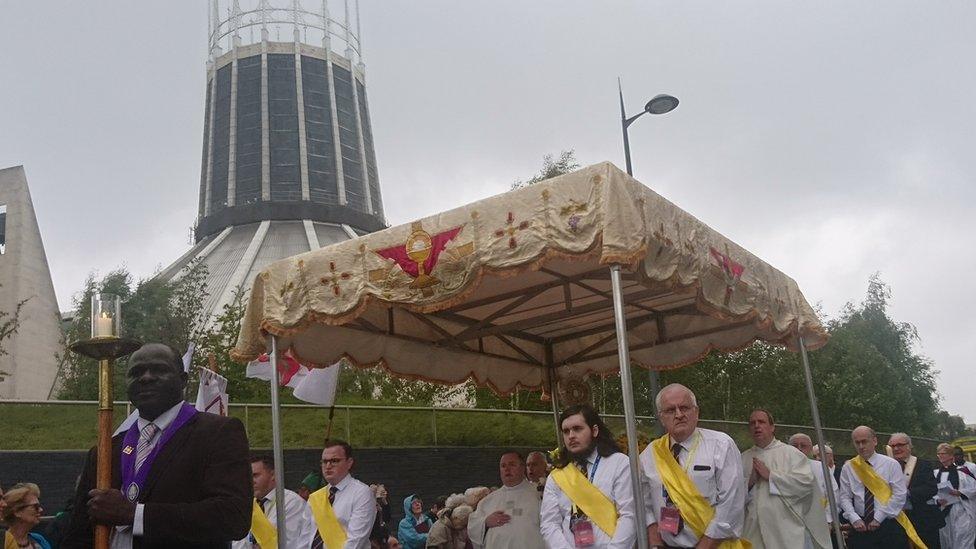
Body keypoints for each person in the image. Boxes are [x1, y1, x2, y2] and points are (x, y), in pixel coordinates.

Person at [62, 343, 252, 549]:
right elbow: (78, 533)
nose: (146, 377)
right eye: (136, 372)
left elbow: (233, 517)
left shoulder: (217, 433)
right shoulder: (106, 451)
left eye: (159, 370)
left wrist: (134, 515)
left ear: (183, 380)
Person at [639, 384, 746, 549]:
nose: (679, 415)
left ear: (696, 412)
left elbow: (731, 506)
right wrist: (655, 543)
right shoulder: (649, 454)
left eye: (684, 408)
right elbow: (644, 504)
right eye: (670, 410)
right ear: (661, 418)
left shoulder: (721, 445)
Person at [540, 404, 637, 549]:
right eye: (566, 431)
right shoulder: (557, 476)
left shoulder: (619, 463)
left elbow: (630, 515)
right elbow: (549, 524)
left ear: (594, 430)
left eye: (577, 429)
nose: (571, 436)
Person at [740, 411, 829, 549]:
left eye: (761, 422)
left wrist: (771, 476)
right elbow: (732, 495)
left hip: (784, 531)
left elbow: (805, 484)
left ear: (772, 427)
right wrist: (750, 483)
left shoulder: (792, 454)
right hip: (752, 530)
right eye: (752, 423)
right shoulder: (743, 458)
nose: (757, 426)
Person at [838, 425, 924, 548]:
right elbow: (844, 496)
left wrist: (878, 518)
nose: (861, 446)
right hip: (860, 525)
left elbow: (899, 494)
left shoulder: (891, 464)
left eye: (864, 442)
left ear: (874, 441)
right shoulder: (849, 467)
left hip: (888, 523)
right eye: (857, 443)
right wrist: (853, 518)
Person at [232, 455, 315, 548]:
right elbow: (238, 542)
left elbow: (287, 543)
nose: (251, 481)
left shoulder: (291, 503)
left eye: (255, 475)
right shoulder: (248, 504)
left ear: (273, 475)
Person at [467, 451, 545, 549]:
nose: (507, 469)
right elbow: (472, 526)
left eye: (512, 464)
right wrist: (485, 522)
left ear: (522, 468)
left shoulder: (539, 495)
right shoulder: (488, 501)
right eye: (503, 466)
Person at [309, 439, 375, 549]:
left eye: (334, 461)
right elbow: (306, 537)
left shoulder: (362, 493)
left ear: (349, 463)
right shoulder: (315, 497)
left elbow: (356, 540)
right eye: (324, 461)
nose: (328, 466)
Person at [887, 433, 943, 549]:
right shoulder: (886, 467)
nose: (896, 448)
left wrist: (908, 493)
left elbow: (931, 488)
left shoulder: (923, 465)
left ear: (909, 446)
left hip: (922, 520)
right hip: (896, 522)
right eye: (892, 446)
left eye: (900, 445)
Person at [789, 432, 840, 548]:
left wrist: (828, 519)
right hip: (790, 524)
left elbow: (833, 495)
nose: (799, 449)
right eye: (795, 446)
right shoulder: (781, 468)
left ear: (811, 450)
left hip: (819, 522)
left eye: (803, 446)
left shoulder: (821, 468)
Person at [935, 443, 975, 549]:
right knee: (948, 541)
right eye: (938, 453)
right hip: (944, 511)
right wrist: (937, 501)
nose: (940, 456)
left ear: (950, 455)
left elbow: (974, 488)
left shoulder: (963, 472)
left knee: (964, 540)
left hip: (961, 510)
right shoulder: (936, 473)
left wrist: (960, 492)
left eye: (943, 453)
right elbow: (932, 491)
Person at [2, 483, 52, 549]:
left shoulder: (39, 540)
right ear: (17, 512)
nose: (41, 509)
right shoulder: (3, 543)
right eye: (35, 506)